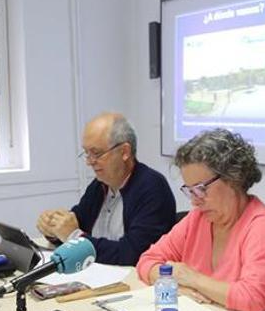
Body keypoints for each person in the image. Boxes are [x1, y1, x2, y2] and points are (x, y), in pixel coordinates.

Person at [136, 128, 265, 311]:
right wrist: (175, 285)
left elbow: (254, 299)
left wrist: (193, 279)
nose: (194, 201)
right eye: (189, 191)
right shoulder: (198, 218)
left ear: (233, 179)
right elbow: (147, 261)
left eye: (200, 189)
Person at [36, 112, 176, 265]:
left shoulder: (152, 187)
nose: (90, 162)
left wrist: (73, 236)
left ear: (124, 152)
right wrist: (54, 229)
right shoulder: (100, 184)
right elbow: (76, 223)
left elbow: (133, 253)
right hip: (97, 273)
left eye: (96, 153)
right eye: (87, 153)